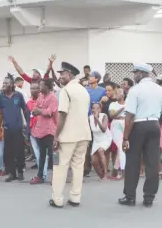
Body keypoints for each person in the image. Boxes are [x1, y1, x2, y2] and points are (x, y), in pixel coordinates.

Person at [118, 63, 162, 207]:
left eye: (135, 73)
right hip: (154, 125)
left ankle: (130, 196)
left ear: (141, 73)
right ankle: (149, 197)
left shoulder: (135, 90)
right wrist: (157, 123)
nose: (134, 76)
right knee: (152, 162)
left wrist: (125, 138)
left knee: (132, 162)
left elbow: (130, 116)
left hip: (138, 126)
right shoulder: (160, 90)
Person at [49, 62, 91, 208]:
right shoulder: (84, 90)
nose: (60, 77)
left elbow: (62, 115)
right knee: (78, 167)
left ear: (70, 74)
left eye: (62, 74)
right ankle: (75, 197)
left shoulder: (66, 91)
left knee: (61, 166)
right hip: (84, 134)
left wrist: (56, 136)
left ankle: (57, 199)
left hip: (68, 135)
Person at [0, 74, 30, 182]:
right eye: (4, 83)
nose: (4, 84)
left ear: (12, 85)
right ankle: (12, 173)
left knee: (19, 151)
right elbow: (0, 113)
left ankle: (20, 172)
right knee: (8, 152)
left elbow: (25, 110)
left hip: (18, 128)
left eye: (7, 83)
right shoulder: (1, 97)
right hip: (7, 128)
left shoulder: (18, 95)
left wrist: (27, 125)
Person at [30, 78, 58, 184]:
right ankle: (40, 176)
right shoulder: (40, 96)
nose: (39, 88)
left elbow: (50, 112)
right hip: (40, 129)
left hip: (50, 130)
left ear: (47, 86)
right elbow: (35, 108)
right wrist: (36, 111)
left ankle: (56, 177)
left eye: (41, 85)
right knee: (42, 154)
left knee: (53, 155)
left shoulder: (53, 98)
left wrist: (39, 111)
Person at [89, 102, 112, 180]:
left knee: (100, 150)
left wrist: (97, 119)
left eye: (98, 108)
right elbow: (89, 130)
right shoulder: (90, 118)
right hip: (96, 140)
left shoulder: (104, 116)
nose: (95, 110)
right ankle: (101, 176)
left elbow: (103, 129)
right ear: (91, 109)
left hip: (105, 138)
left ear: (100, 109)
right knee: (94, 161)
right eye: (93, 108)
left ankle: (106, 174)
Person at [108, 88, 127, 180]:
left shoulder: (129, 103)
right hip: (116, 125)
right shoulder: (113, 104)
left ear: (123, 94)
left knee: (124, 148)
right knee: (120, 147)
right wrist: (122, 108)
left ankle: (115, 169)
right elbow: (112, 115)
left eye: (120, 92)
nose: (117, 93)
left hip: (126, 124)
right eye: (116, 92)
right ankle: (122, 170)